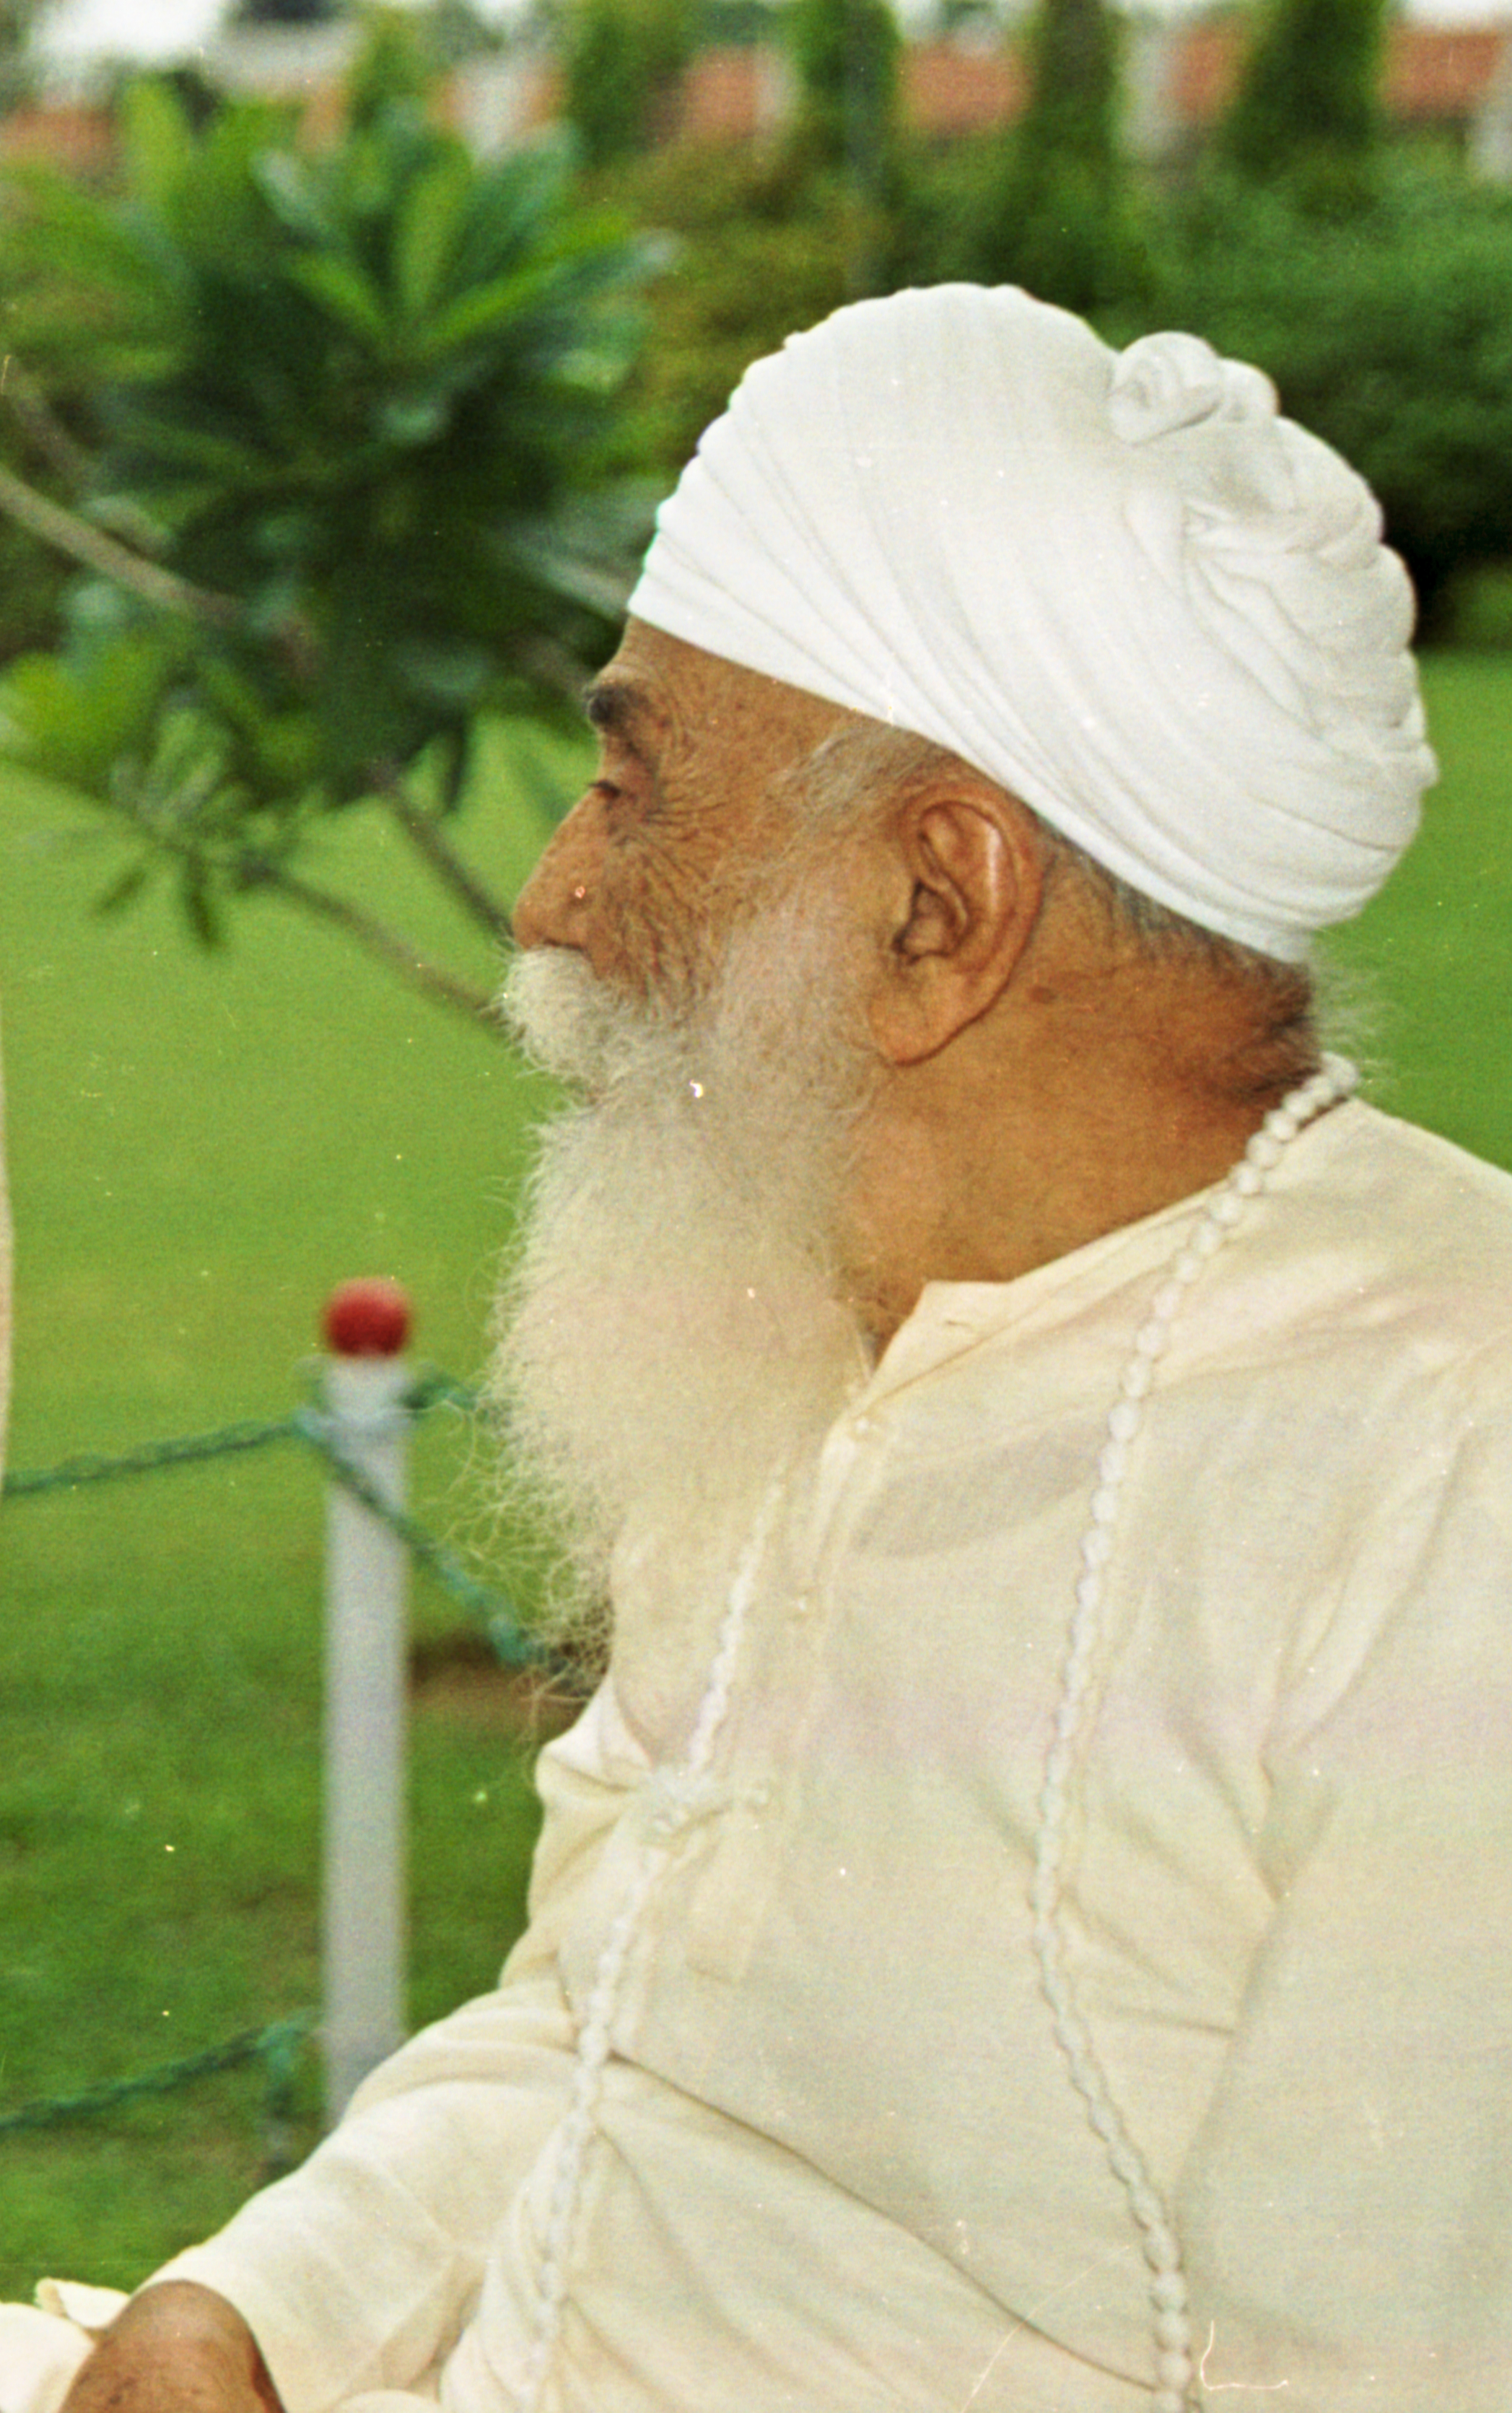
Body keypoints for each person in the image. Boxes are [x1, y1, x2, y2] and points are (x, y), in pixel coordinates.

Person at [11, 282, 1512, 2413]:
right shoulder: (795, 1310)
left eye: (631, 789)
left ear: (937, 906)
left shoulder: (1455, 1462)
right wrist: (250, 2313)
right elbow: (601, 2025)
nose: (549, 900)